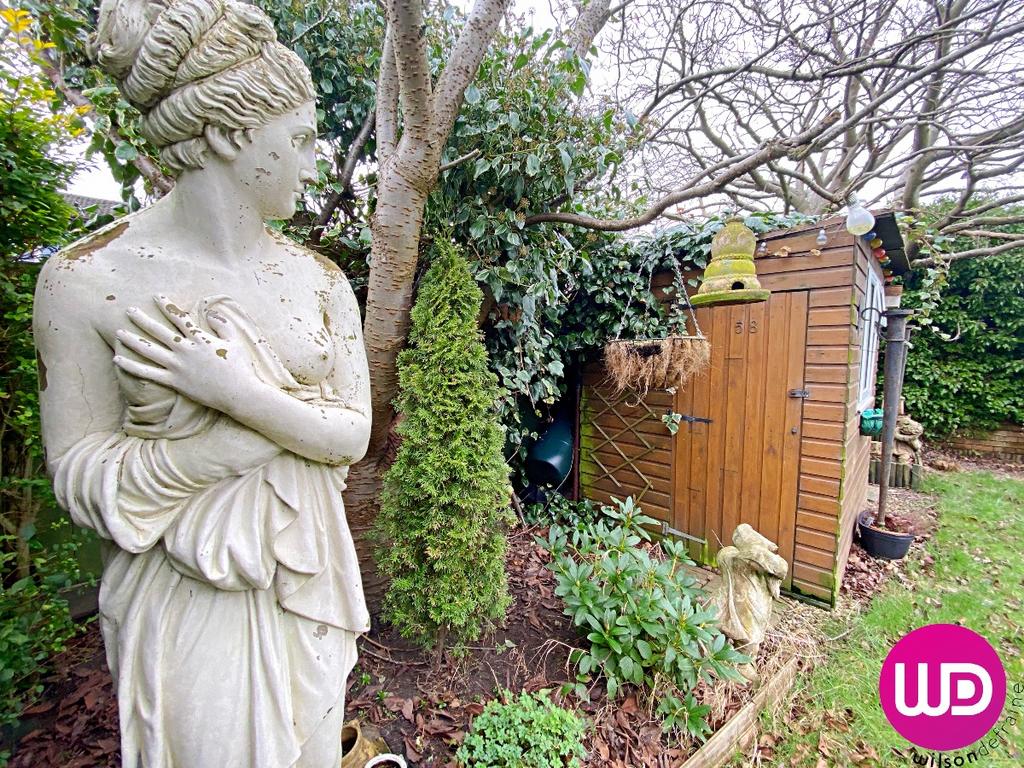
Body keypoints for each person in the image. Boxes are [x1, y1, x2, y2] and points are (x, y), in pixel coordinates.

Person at [33, 2, 371, 766]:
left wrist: (235, 394)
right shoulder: (84, 280)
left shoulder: (320, 281)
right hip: (188, 599)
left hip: (309, 577)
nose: (314, 163)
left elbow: (353, 432)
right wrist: (218, 453)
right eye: (299, 139)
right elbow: (78, 471)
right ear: (227, 134)